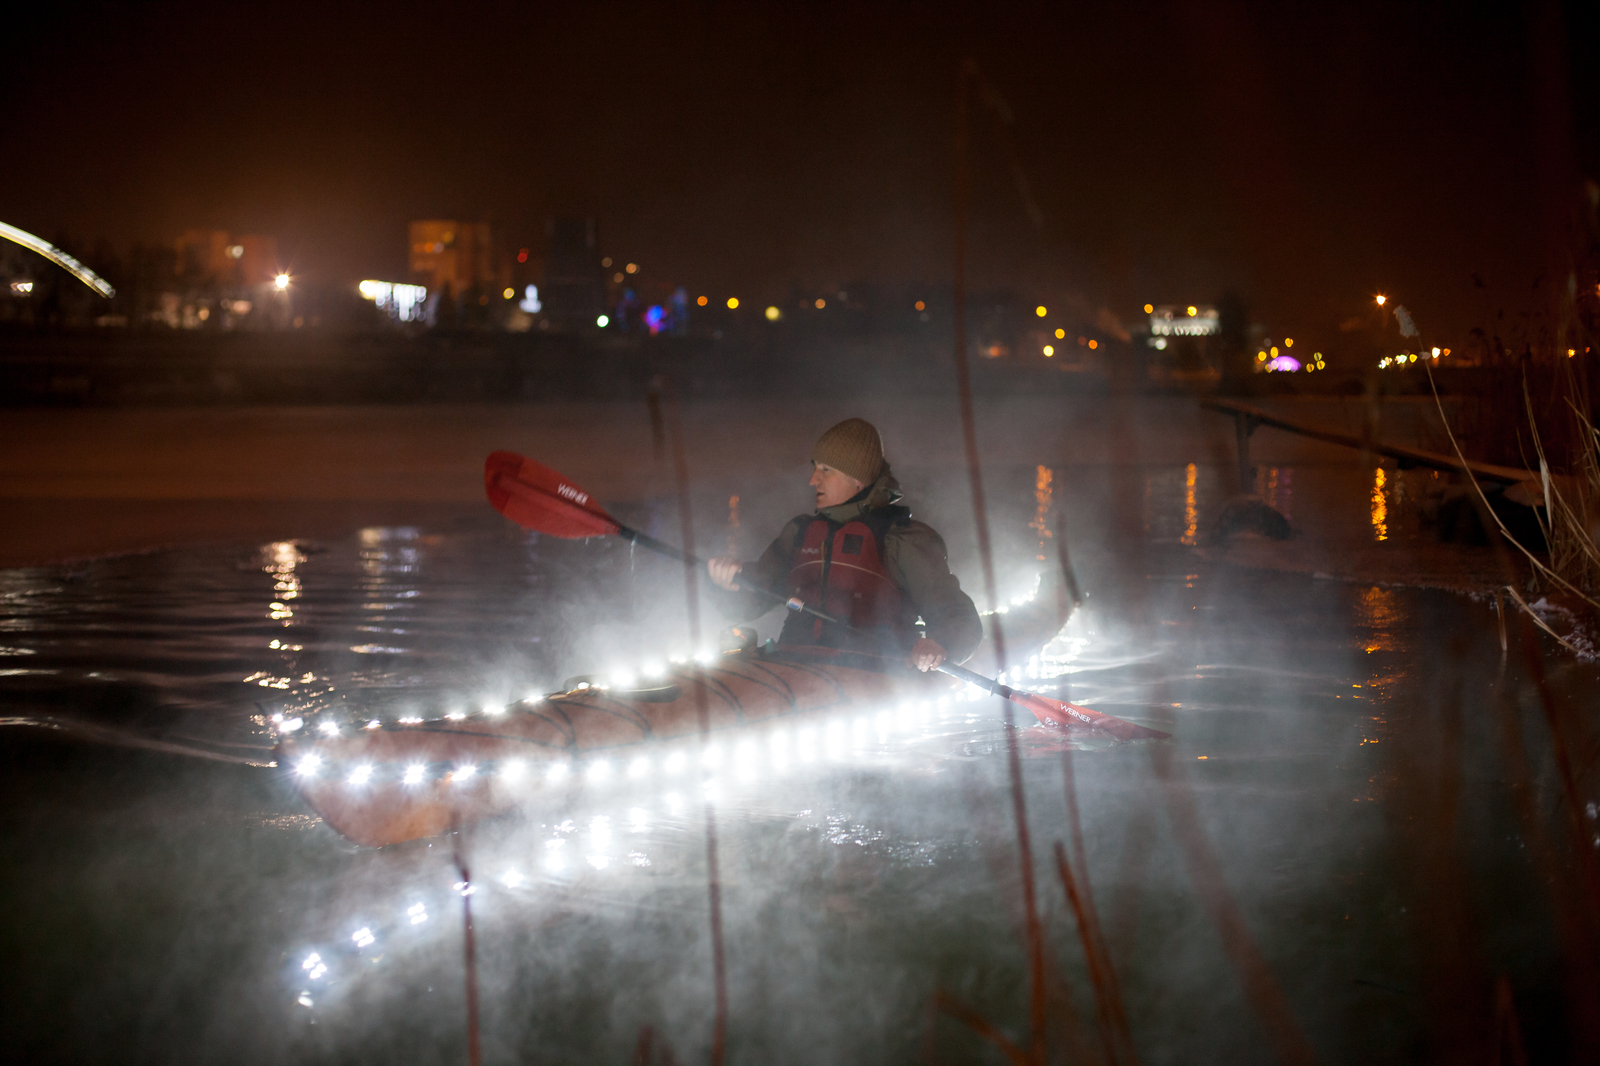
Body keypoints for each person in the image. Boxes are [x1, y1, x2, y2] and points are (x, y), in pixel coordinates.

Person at [706, 418, 982, 672]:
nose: (813, 480)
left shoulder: (902, 540)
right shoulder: (799, 533)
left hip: (874, 676)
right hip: (794, 669)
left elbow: (958, 616)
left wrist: (939, 645)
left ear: (857, 480)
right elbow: (747, 606)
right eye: (815, 468)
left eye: (826, 470)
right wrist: (728, 584)